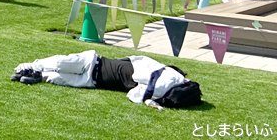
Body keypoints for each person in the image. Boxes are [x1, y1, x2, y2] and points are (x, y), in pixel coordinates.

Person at [11, 50, 197, 108]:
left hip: (94, 74)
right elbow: (135, 95)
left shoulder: (163, 75)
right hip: (93, 69)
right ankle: (30, 69)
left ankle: (33, 74)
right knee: (58, 68)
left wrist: (154, 100)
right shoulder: (160, 79)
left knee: (56, 72)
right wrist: (153, 101)